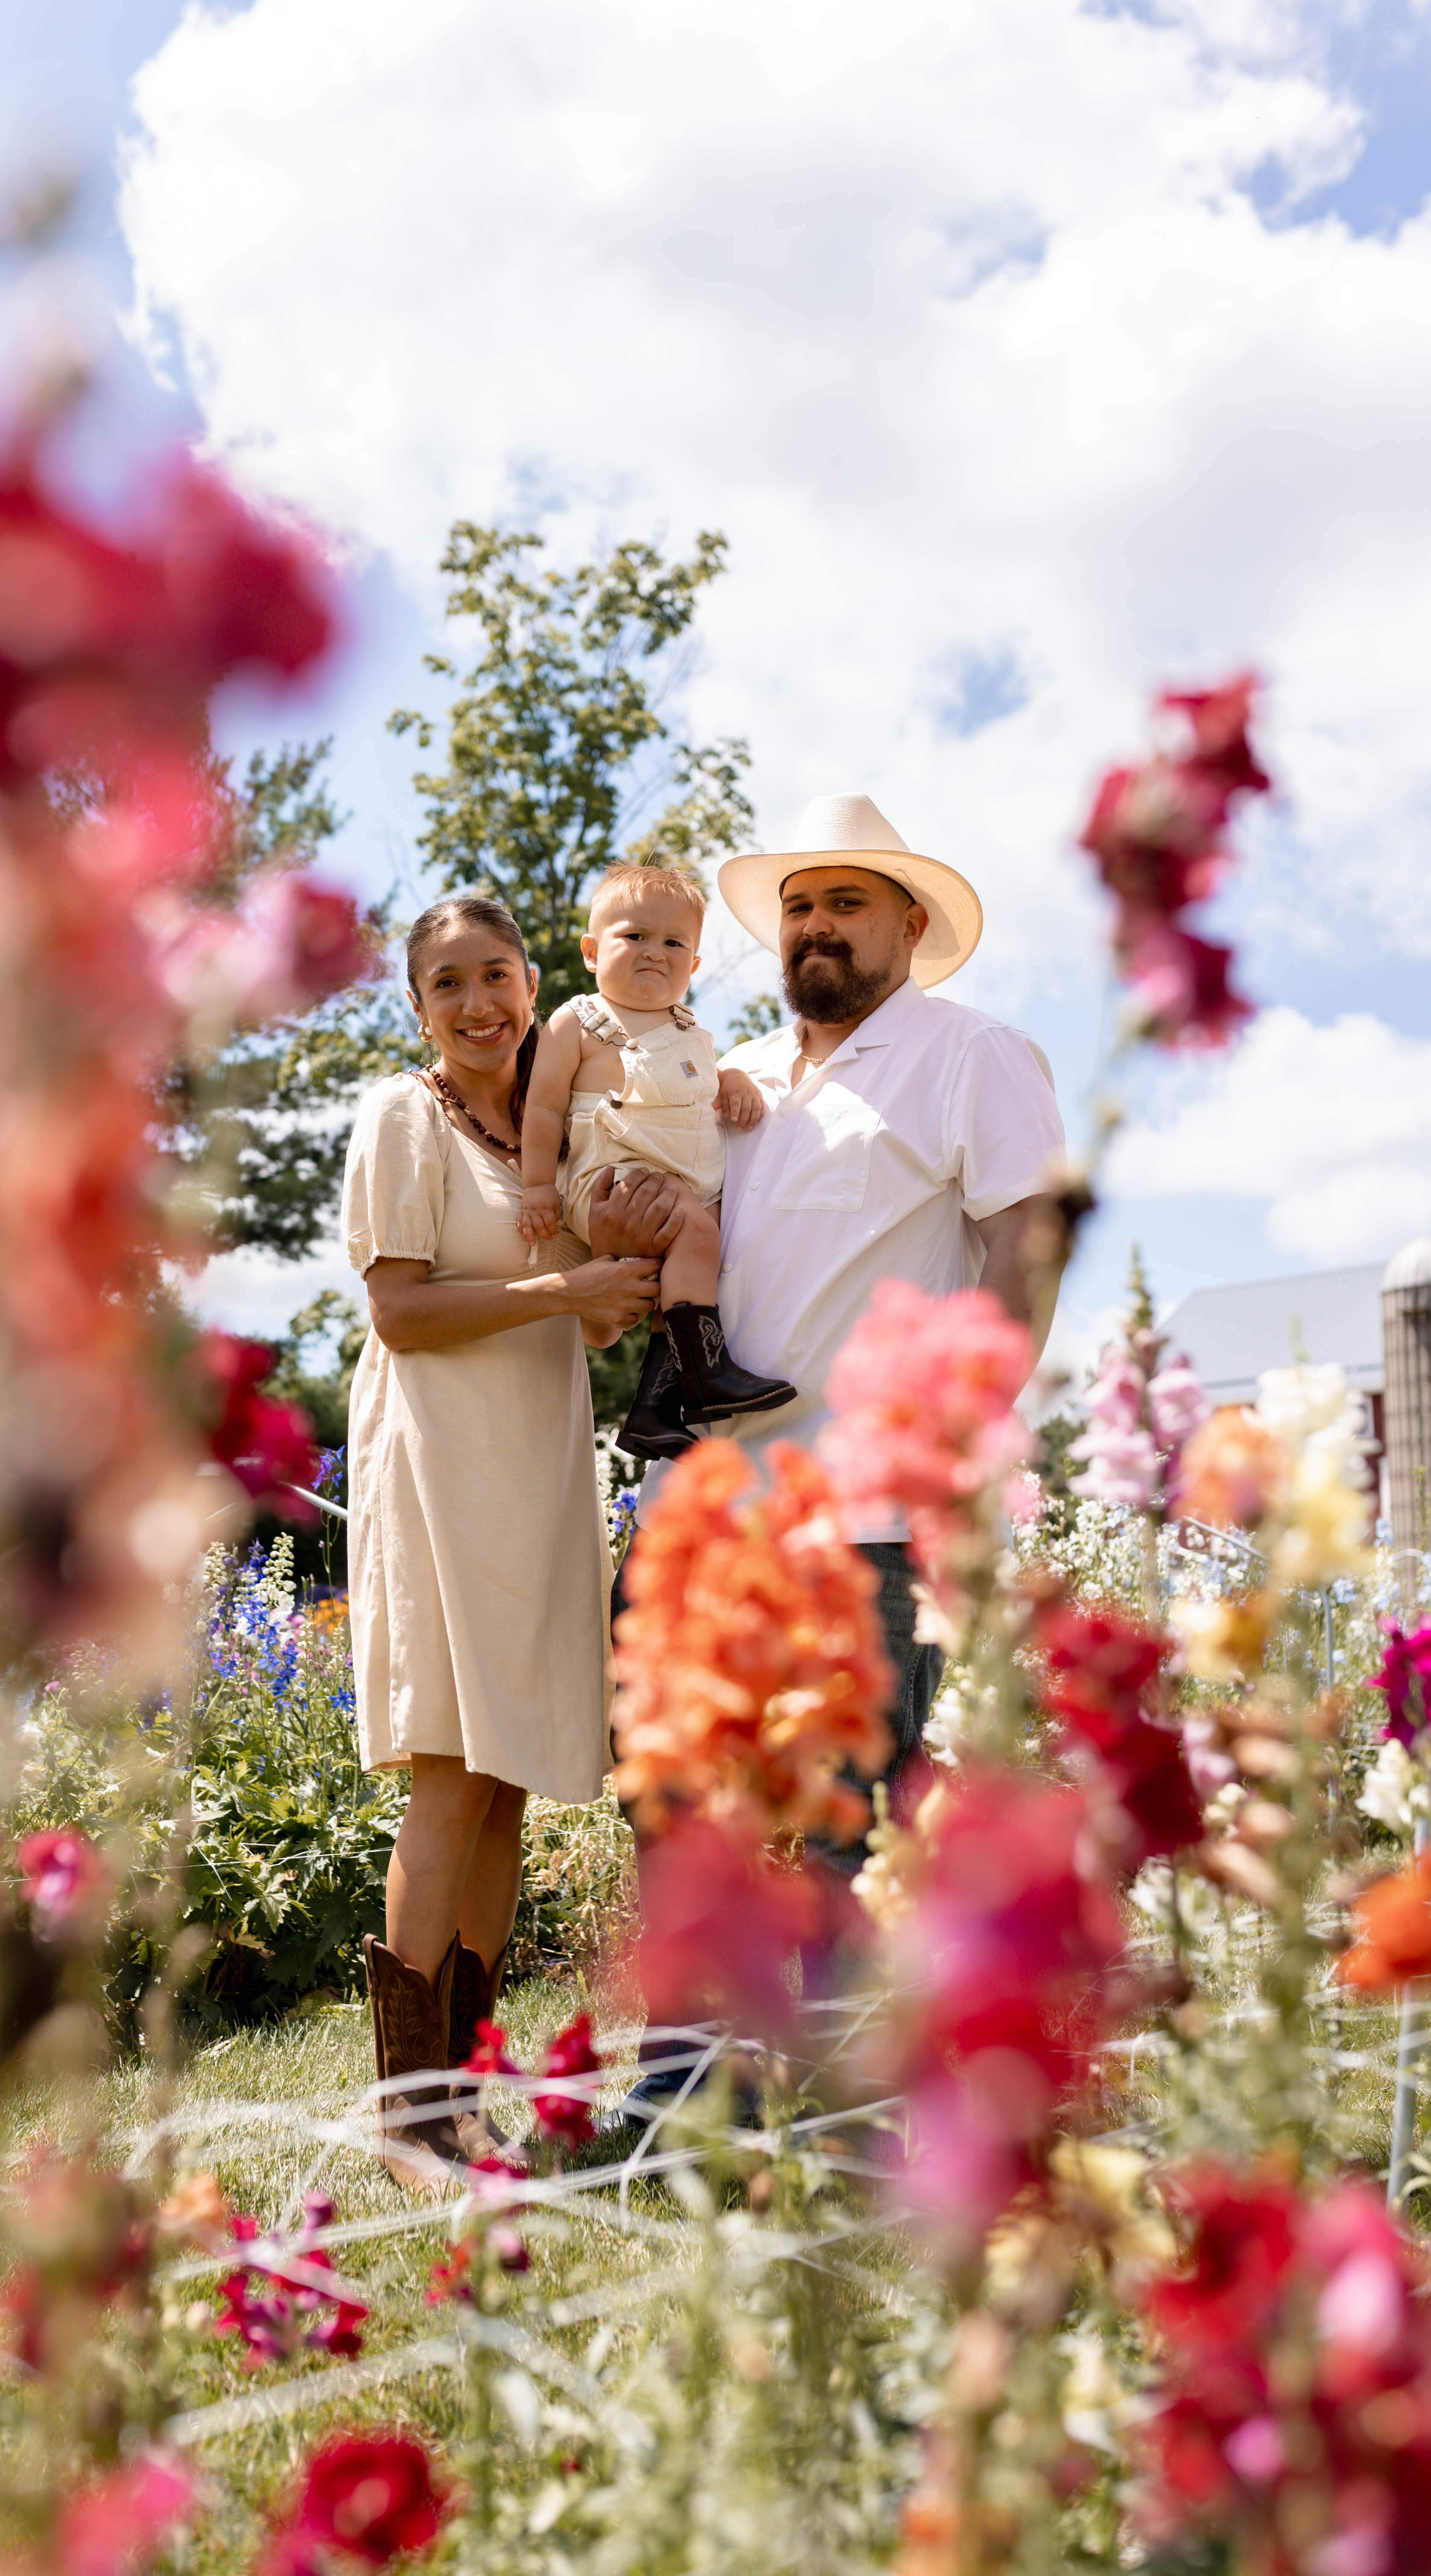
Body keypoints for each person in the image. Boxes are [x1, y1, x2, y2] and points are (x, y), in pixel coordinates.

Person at [611, 790, 1067, 2122]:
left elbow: (1023, 1247)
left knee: (846, 1816)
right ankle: (677, 2096)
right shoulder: (739, 1077)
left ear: (909, 925)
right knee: (676, 1804)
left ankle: (826, 2108)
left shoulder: (969, 1055)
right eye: (800, 906)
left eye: (847, 903)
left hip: (864, 1505)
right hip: (700, 1504)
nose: (815, 926)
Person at [341, 894, 662, 2190]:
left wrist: (647, 1211)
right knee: (446, 1779)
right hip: (439, 1473)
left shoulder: (541, 1137)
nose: (480, 1004)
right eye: (450, 984)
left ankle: (467, 2094)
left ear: (537, 986)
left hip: (536, 1479)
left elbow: (599, 1325)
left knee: (510, 1786)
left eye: (499, 977)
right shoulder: (402, 1117)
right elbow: (402, 1314)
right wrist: (564, 1287)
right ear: (419, 1006)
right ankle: (407, 2118)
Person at [516, 863, 795, 1457]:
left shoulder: (692, 1031)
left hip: (682, 1180)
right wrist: (539, 1187)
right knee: (694, 1229)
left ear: (694, 966)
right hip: (613, 1180)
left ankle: (654, 1405)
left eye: (674, 943)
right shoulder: (581, 1021)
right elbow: (542, 1110)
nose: (654, 953)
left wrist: (733, 1078)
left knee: (708, 1240)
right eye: (634, 937)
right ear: (592, 952)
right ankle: (708, 1371)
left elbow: (696, 1083)